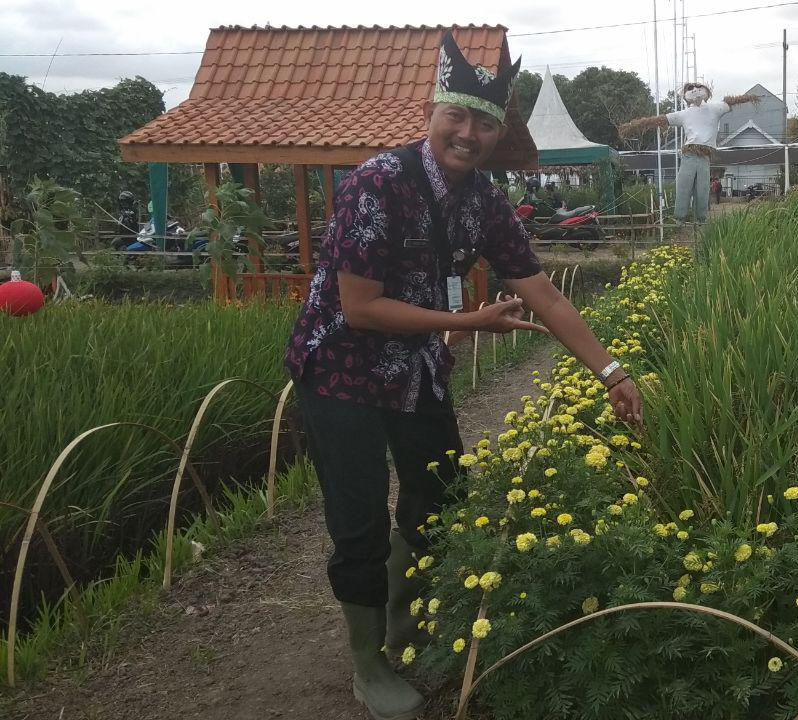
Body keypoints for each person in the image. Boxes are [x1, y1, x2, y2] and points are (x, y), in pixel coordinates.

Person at [282, 31, 642, 720]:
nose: (468, 133)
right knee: (357, 522)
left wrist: (611, 371)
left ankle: (399, 621)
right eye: (457, 116)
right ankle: (365, 667)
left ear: (498, 131)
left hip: (413, 370)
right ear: (430, 112)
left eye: (484, 122)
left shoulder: (484, 200)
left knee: (439, 495)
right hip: (339, 370)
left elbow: (545, 293)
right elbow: (359, 308)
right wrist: (467, 323)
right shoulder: (375, 183)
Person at [618, 82, 759, 223]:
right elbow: (659, 120)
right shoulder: (684, 114)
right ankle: (680, 218)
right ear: (686, 95)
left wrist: (750, 97)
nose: (695, 91)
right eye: (691, 89)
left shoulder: (715, 108)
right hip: (689, 155)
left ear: (706, 92)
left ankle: (701, 219)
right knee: (683, 187)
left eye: (699, 88)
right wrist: (634, 126)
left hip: (704, 156)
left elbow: (731, 101)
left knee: (702, 189)